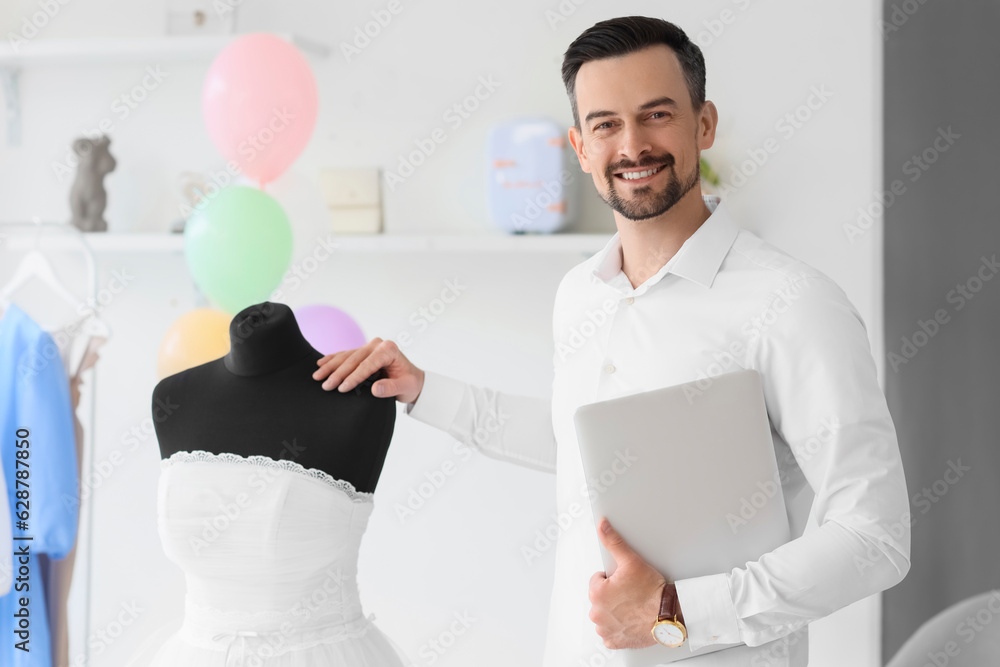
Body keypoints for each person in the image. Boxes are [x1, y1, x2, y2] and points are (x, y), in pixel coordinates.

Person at [313, 15, 910, 667]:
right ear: (579, 145)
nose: (632, 145)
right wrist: (424, 389)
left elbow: (875, 535)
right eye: (606, 124)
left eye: (656, 115)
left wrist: (672, 614)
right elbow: (588, 451)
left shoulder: (792, 303)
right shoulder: (580, 294)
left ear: (703, 124)